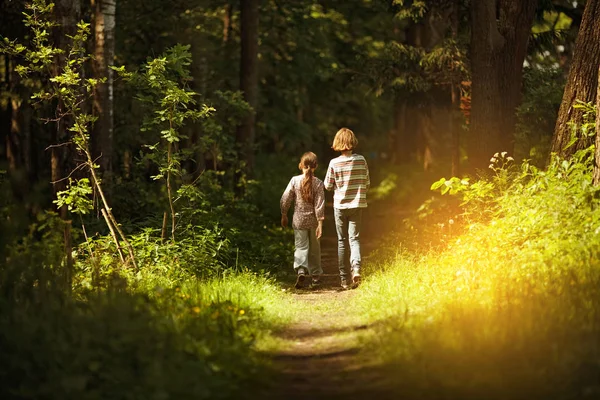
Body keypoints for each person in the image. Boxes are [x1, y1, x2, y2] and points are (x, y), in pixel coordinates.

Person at [324, 128, 370, 289]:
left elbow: (328, 186)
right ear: (352, 142)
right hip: (357, 204)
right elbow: (367, 182)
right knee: (354, 239)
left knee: (342, 241)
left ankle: (344, 279)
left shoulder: (334, 163)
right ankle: (356, 269)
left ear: (337, 143)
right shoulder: (361, 160)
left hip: (340, 206)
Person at [280, 152, 325, 289]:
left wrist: (284, 214)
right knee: (314, 249)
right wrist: (320, 224)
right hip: (313, 221)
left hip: (298, 220)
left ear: (300, 165)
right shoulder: (318, 183)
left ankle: (301, 270)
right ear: (315, 166)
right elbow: (320, 204)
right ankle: (316, 277)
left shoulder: (294, 180)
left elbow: (286, 198)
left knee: (300, 247)